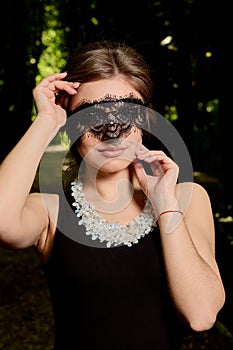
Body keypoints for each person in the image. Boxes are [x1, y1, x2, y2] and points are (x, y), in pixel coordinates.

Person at [0, 40, 225, 350]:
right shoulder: (51, 210)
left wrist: (164, 203)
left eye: (126, 110)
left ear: (146, 118)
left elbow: (201, 315)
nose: (112, 131)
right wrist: (46, 120)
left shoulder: (188, 197)